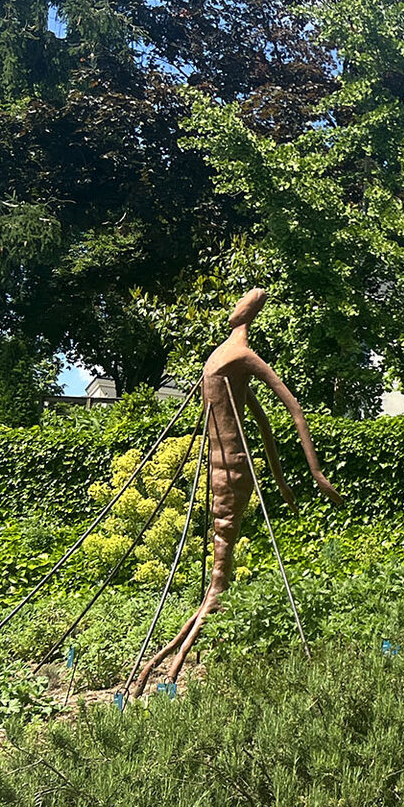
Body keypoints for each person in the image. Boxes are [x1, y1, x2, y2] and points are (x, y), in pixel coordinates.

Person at [130, 288, 341, 695]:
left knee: (222, 549)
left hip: (229, 470)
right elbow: (278, 415)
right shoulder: (233, 356)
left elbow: (280, 413)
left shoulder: (230, 356)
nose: (236, 309)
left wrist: (301, 476)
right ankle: (192, 632)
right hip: (222, 469)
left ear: (246, 314)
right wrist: (299, 475)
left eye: (242, 304)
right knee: (219, 559)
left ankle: (178, 649)